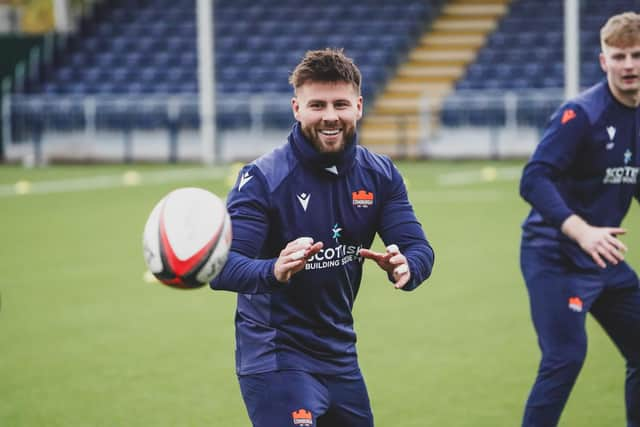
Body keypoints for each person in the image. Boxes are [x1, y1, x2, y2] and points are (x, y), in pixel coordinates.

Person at [210, 48, 434, 427]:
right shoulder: (262, 179)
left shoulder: (380, 175)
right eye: (317, 104)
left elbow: (419, 248)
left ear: (359, 106)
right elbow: (222, 268)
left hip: (340, 356)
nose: (330, 116)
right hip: (276, 358)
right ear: (297, 108)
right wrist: (274, 270)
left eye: (340, 104)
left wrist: (407, 266)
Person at [519, 12, 640, 427]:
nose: (629, 65)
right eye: (619, 56)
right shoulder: (582, 114)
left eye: (637, 55)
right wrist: (581, 231)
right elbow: (533, 179)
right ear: (604, 61)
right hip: (555, 256)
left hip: (603, 260)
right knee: (565, 358)